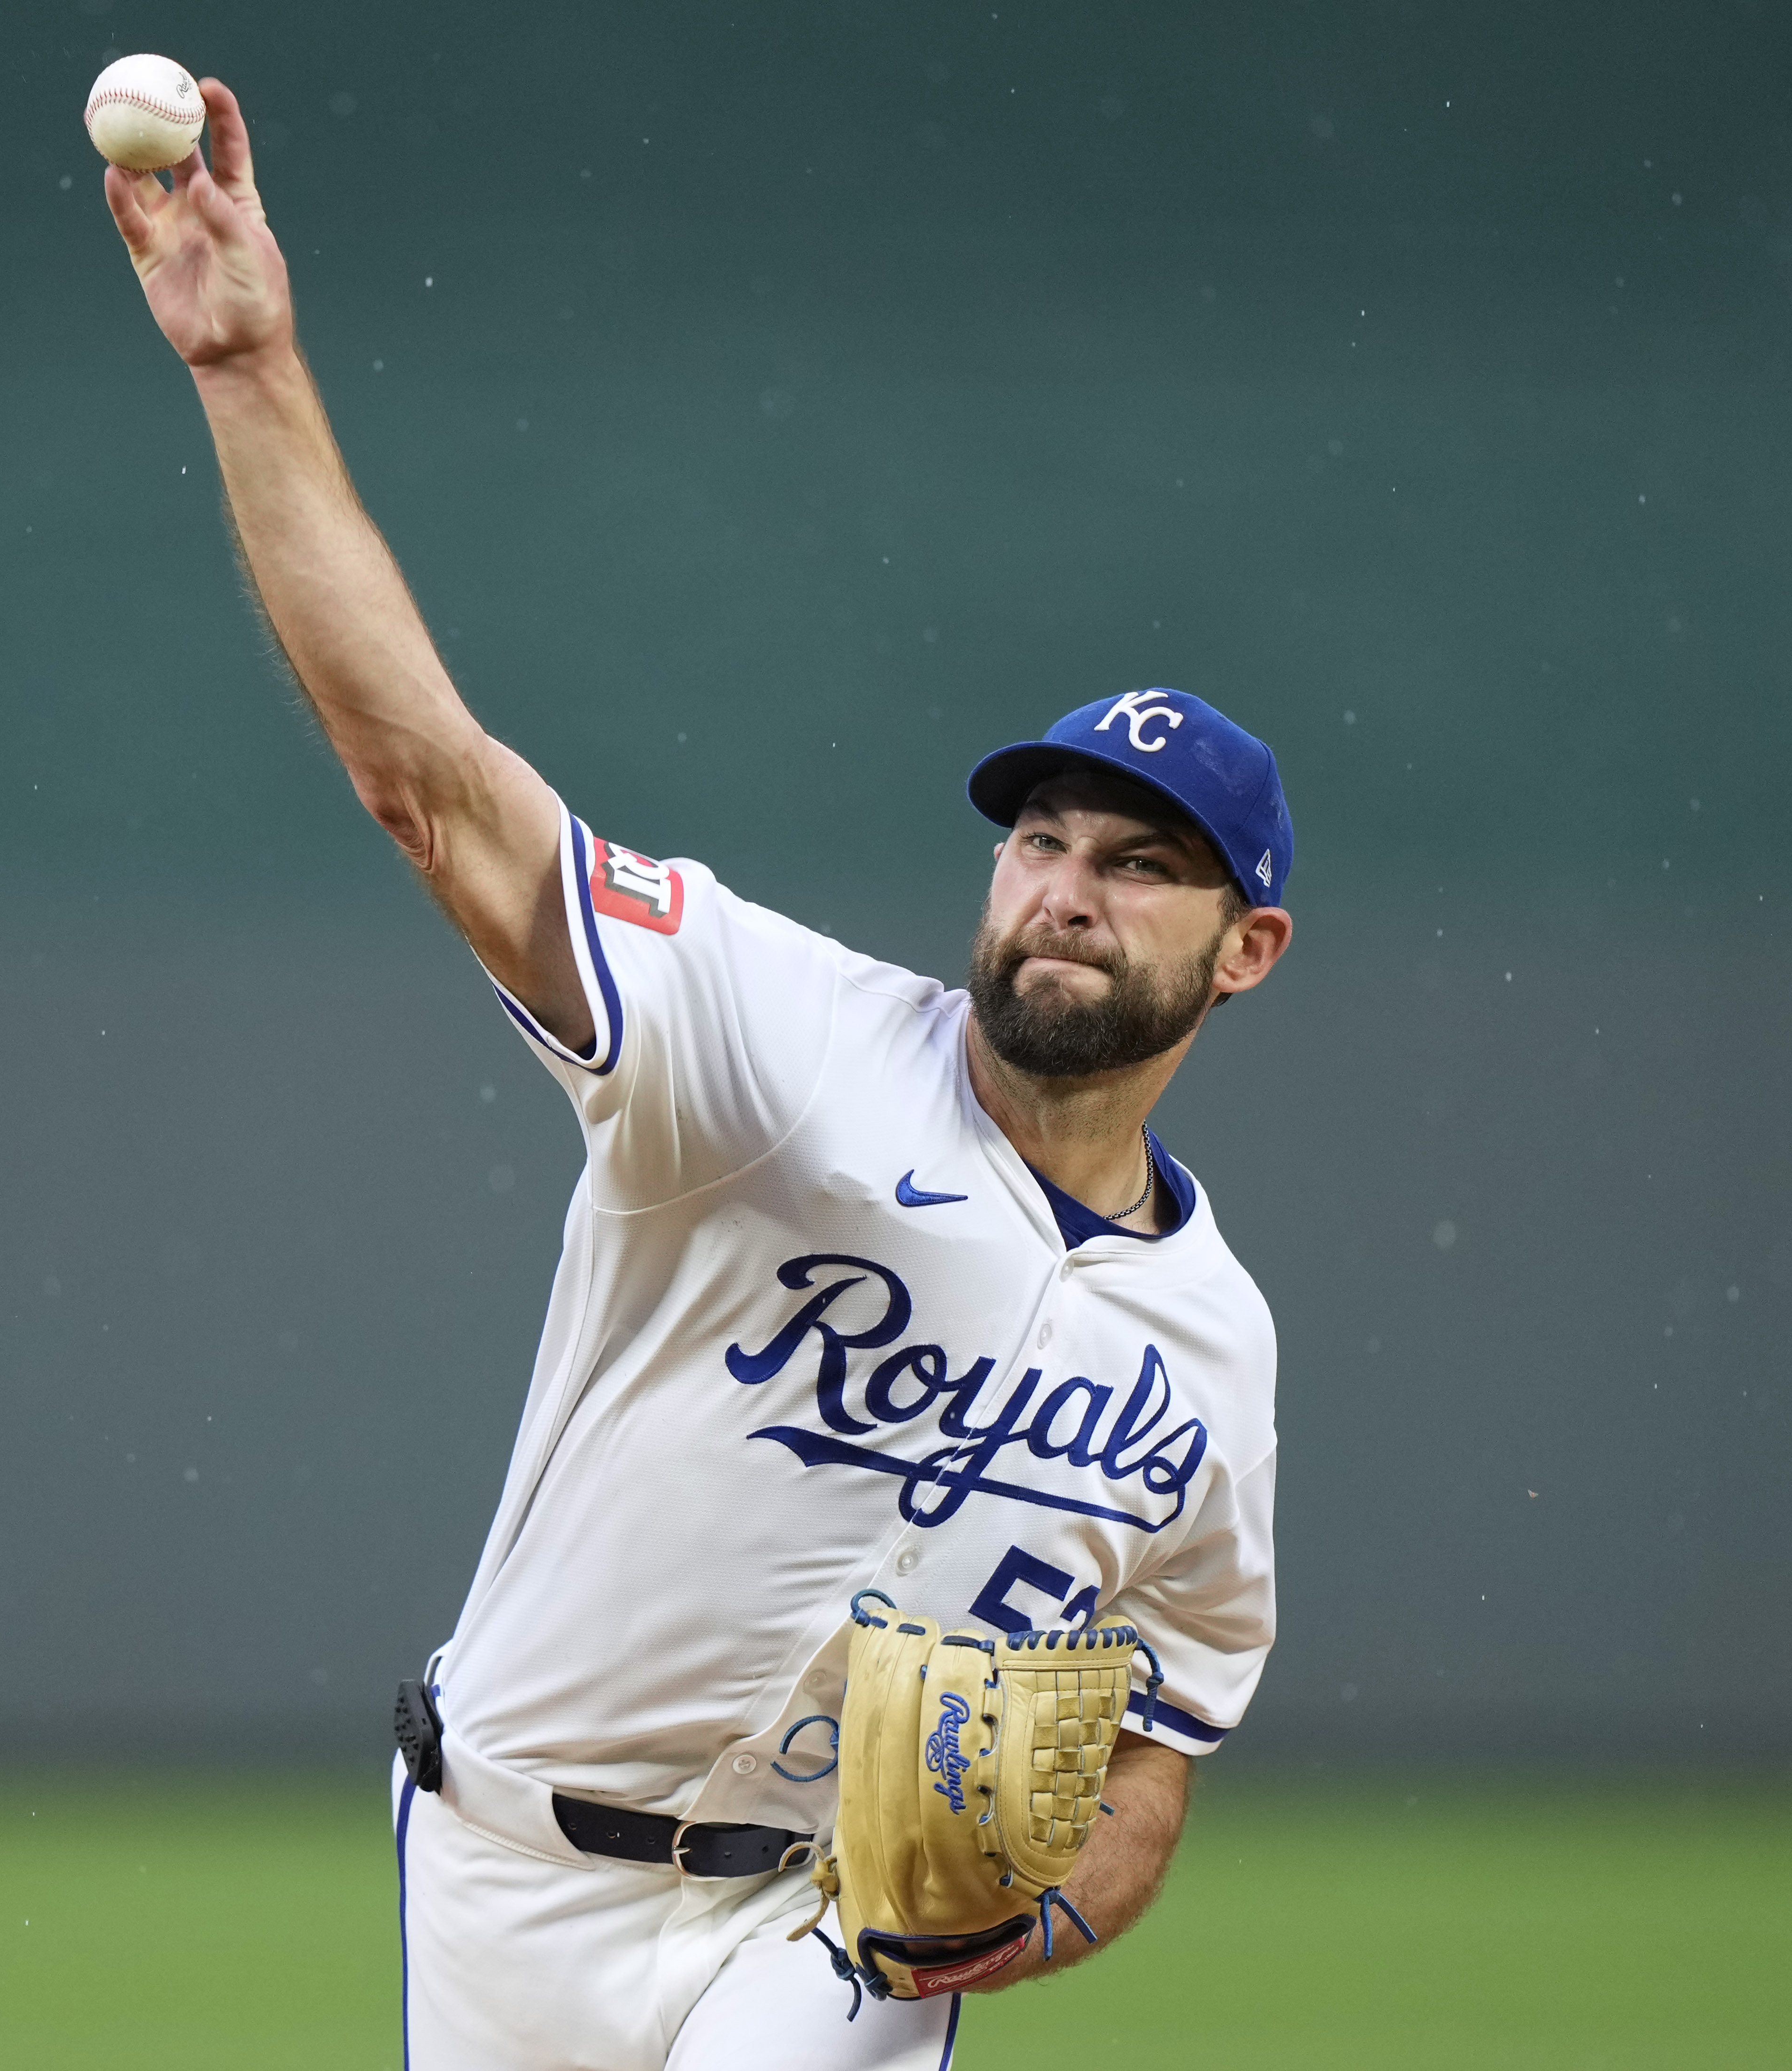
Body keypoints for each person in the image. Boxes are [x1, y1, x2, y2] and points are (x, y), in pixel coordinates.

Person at [103, 79, 1294, 2071]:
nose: (1067, 889)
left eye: (1141, 863)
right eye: (1043, 840)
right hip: (513, 1873)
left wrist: (1015, 1931)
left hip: (824, 1939)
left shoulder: (1210, 1347)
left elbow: (1164, 1727)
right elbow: (439, 794)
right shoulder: (775, 1038)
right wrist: (247, 364)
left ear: (1242, 948)